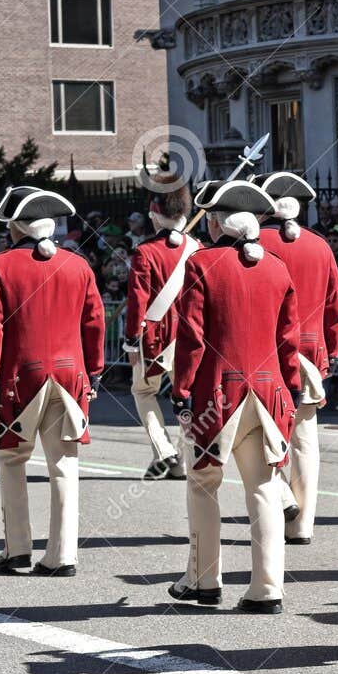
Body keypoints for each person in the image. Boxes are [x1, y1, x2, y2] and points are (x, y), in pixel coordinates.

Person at [169, 180, 301, 614]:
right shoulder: (278, 267)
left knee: (204, 484)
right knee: (262, 488)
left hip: (217, 393)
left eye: (208, 217)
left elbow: (192, 336)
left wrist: (182, 389)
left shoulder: (202, 264)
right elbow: (288, 340)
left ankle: (206, 582)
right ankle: (267, 589)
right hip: (269, 390)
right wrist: (293, 386)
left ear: (217, 222)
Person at [0, 186, 105, 577]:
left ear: (17, 227)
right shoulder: (78, 265)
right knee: (64, 463)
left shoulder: (0, 266)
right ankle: (62, 554)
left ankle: (17, 548)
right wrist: (95, 371)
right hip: (71, 373)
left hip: (21, 375)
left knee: (12, 457)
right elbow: (95, 322)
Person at [256, 171, 338, 546]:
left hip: (263, 352)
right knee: (305, 440)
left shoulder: (254, 242)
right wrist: (332, 350)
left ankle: (283, 496)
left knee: (259, 434)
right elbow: (334, 306)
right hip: (309, 351)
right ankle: (303, 523)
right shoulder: (320, 246)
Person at [122, 182, 198, 480]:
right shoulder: (198, 248)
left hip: (157, 337)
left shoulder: (145, 252)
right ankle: (181, 461)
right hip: (191, 336)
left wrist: (130, 343)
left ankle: (165, 450)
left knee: (142, 391)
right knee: (185, 396)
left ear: (155, 214)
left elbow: (137, 299)